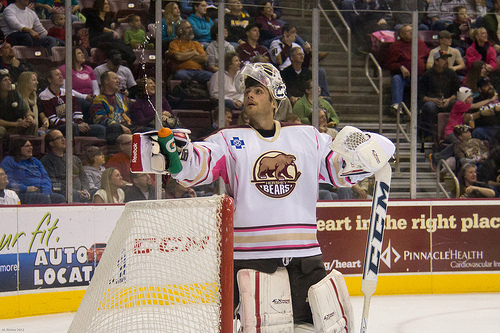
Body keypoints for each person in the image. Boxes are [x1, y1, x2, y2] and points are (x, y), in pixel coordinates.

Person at [139, 62, 394, 324]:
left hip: (304, 256)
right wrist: (177, 156)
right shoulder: (227, 140)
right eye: (248, 90)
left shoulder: (308, 137)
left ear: (274, 101)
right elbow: (197, 163)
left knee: (317, 327)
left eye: (258, 90)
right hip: (251, 259)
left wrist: (365, 159)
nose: (250, 94)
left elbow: (337, 170)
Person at [39, 68, 106, 139]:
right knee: (73, 128)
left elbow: (77, 111)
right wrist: (75, 125)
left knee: (100, 129)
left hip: (75, 125)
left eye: (61, 75)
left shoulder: (68, 92)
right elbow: (52, 120)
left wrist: (80, 123)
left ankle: (94, 149)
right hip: (58, 128)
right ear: (50, 79)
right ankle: (73, 149)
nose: (61, 77)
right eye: (57, 75)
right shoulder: (44, 96)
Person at [0, 137, 65, 204]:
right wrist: (25, 188)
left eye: (31, 145)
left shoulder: (35, 161)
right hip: (22, 192)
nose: (31, 148)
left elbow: (46, 178)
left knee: (60, 198)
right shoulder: (8, 161)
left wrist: (46, 191)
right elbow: (8, 181)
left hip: (41, 191)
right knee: (42, 198)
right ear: (18, 148)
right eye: (27, 146)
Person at [386, 24, 429, 114]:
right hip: (404, 77)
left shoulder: (419, 43)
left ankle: (421, 107)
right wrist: (400, 67)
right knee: (396, 79)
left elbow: (428, 56)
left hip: (420, 76)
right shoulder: (396, 46)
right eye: (408, 31)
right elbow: (390, 64)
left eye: (412, 31)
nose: (411, 33)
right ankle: (396, 106)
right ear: (401, 34)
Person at [418, 50, 461, 139]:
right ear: (436, 61)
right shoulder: (427, 75)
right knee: (429, 107)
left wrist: (448, 100)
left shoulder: (451, 74)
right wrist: (433, 100)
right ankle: (429, 135)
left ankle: (456, 132)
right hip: (433, 102)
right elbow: (420, 95)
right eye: (443, 59)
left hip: (448, 101)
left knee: (457, 104)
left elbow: (457, 92)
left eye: (447, 59)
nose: (446, 61)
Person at [40, 129, 91, 202]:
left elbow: (83, 178)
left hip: (81, 192)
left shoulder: (74, 159)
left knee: (97, 193)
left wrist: (85, 190)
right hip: (63, 192)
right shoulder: (46, 161)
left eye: (63, 137)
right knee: (73, 194)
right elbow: (52, 183)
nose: (63, 139)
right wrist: (74, 191)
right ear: (51, 143)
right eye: (59, 138)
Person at [84, 0, 136, 67]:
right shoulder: (92, 15)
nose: (108, 5)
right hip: (94, 40)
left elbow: (114, 20)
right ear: (99, 5)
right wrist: (111, 31)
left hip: (105, 40)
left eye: (108, 4)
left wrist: (124, 19)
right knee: (111, 36)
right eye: (105, 4)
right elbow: (99, 27)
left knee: (118, 42)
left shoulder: (106, 17)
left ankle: (130, 56)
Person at [91, 71, 133, 144]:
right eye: (115, 78)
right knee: (115, 127)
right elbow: (99, 118)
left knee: (146, 130)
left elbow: (135, 106)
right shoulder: (98, 100)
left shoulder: (122, 98)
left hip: (128, 126)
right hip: (113, 129)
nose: (118, 81)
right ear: (106, 81)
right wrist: (120, 126)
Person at [59, 46, 100, 122]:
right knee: (86, 104)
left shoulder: (88, 69)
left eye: (82, 53)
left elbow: (96, 88)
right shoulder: (64, 69)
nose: (82, 55)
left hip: (90, 97)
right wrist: (84, 96)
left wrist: (96, 96)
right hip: (74, 97)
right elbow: (65, 88)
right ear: (72, 56)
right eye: (79, 53)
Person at [0, 70, 37, 138]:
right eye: (5, 80)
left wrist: (30, 119)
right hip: (4, 125)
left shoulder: (15, 94)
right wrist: (16, 124)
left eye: (9, 80)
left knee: (30, 125)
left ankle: (26, 146)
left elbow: (27, 111)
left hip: (16, 122)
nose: (9, 82)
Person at [16, 71, 47, 136]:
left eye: (37, 80)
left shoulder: (35, 99)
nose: (37, 82)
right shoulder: (17, 99)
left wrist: (45, 120)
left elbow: (41, 113)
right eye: (34, 80)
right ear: (25, 82)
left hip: (35, 129)